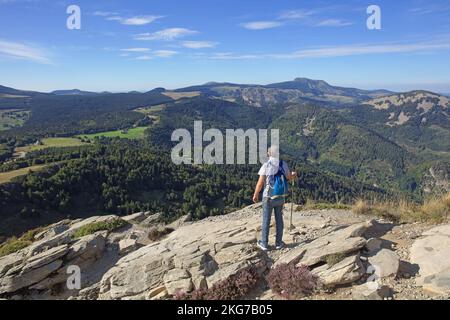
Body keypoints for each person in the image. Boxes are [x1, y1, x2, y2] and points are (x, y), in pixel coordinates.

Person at [253, 146, 297, 251]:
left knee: (266, 219)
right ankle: (278, 243)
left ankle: (264, 244)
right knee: (279, 219)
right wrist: (293, 175)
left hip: (268, 197)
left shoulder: (266, 165)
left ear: (268, 154)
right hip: (280, 196)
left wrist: (255, 194)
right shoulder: (283, 164)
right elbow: (288, 178)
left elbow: (260, 183)